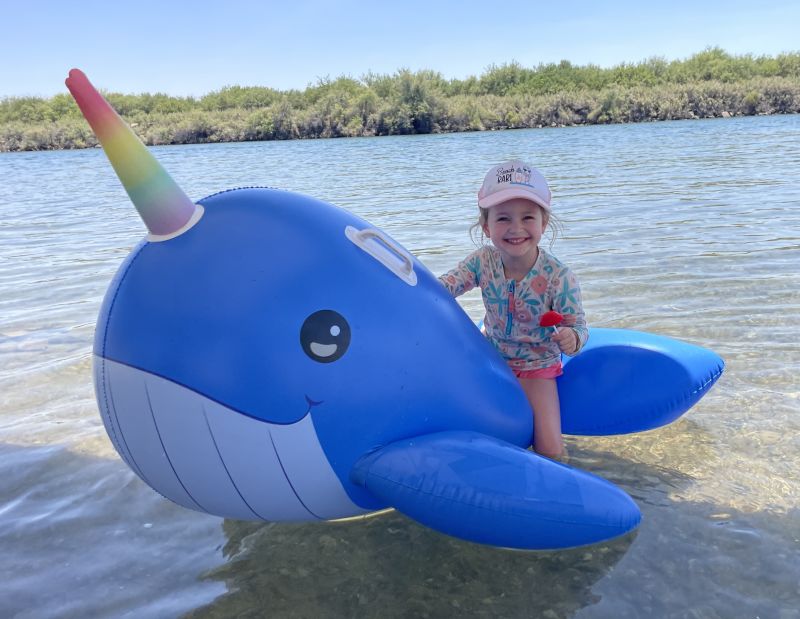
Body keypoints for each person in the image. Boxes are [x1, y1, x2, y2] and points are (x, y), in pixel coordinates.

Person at [439, 160, 588, 460]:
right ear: (486, 226)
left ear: (543, 223)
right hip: (491, 359)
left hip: (537, 367)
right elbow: (446, 287)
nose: (516, 228)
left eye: (528, 217)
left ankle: (559, 487)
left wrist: (571, 338)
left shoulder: (558, 277)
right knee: (470, 432)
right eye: (503, 218)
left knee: (550, 449)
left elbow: (579, 327)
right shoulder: (483, 261)